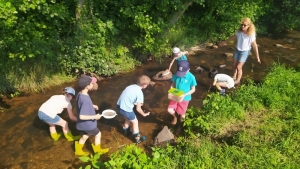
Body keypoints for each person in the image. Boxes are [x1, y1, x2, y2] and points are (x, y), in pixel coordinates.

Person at [218, 17, 261, 84]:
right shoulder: (239, 31)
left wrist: (257, 57)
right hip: (237, 50)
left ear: (249, 26)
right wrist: (225, 42)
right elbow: (233, 37)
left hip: (245, 52)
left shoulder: (251, 34)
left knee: (238, 67)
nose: (242, 26)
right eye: (242, 25)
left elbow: (254, 45)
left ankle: (238, 80)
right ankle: (233, 77)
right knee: (234, 65)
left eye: (244, 25)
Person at [75, 75, 109, 156]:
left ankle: (78, 150)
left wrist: (92, 105)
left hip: (82, 124)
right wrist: (95, 117)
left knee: (85, 136)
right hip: (88, 124)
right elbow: (81, 116)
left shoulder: (80, 94)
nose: (93, 84)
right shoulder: (85, 99)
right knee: (98, 134)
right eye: (91, 83)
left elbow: (81, 105)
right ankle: (97, 150)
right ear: (87, 86)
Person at [117, 75, 151, 143]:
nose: (147, 86)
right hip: (126, 109)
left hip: (119, 106)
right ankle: (137, 139)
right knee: (135, 122)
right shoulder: (140, 93)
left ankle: (126, 132)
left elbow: (128, 97)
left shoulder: (130, 86)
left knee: (127, 119)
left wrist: (135, 103)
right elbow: (138, 109)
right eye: (147, 85)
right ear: (144, 85)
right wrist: (144, 114)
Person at [168, 60, 197, 125]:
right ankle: (175, 117)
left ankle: (180, 123)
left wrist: (184, 95)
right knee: (169, 109)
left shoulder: (192, 77)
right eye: (179, 72)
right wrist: (171, 90)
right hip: (176, 95)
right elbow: (172, 83)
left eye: (183, 72)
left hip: (185, 98)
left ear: (188, 69)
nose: (180, 75)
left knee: (182, 114)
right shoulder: (176, 74)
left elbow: (193, 90)